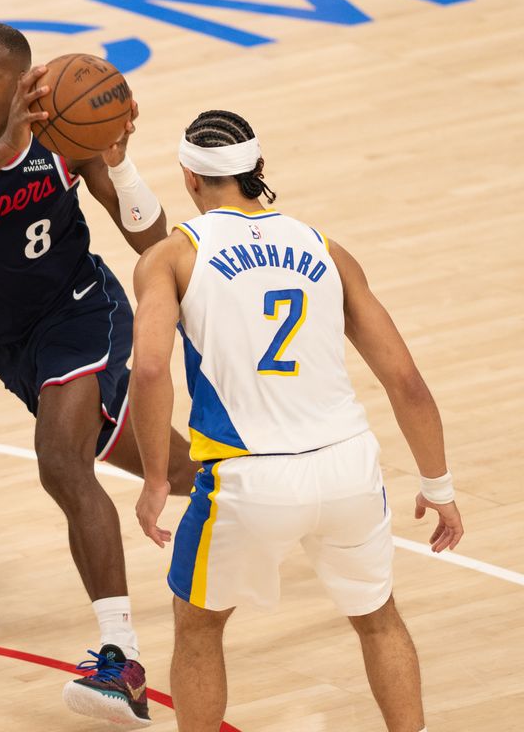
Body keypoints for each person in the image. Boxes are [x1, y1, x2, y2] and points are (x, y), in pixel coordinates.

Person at [0, 23, 198, 727]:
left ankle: (120, 663)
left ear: (23, 85)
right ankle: (247, 487)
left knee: (62, 463)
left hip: (81, 311)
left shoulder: (60, 132)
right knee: (134, 454)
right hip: (7, 343)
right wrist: (1, 154)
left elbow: (152, 243)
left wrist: (117, 165)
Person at [129, 109, 465, 732]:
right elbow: (406, 381)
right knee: (378, 618)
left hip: (249, 478)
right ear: (258, 172)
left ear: (189, 178)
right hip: (348, 468)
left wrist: (154, 479)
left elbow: (150, 373)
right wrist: (438, 485)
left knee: (199, 625)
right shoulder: (324, 246)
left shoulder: (174, 255)